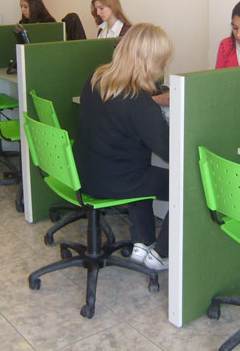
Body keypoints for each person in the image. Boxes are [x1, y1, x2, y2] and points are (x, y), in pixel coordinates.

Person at [73, 23, 172, 271]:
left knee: (140, 166)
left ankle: (143, 243)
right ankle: (162, 254)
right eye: (161, 61)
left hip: (83, 175)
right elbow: (170, 151)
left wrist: (153, 104)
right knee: (188, 185)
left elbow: (123, 113)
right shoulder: (138, 101)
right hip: (115, 182)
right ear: (150, 62)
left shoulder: (97, 78)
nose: (162, 68)